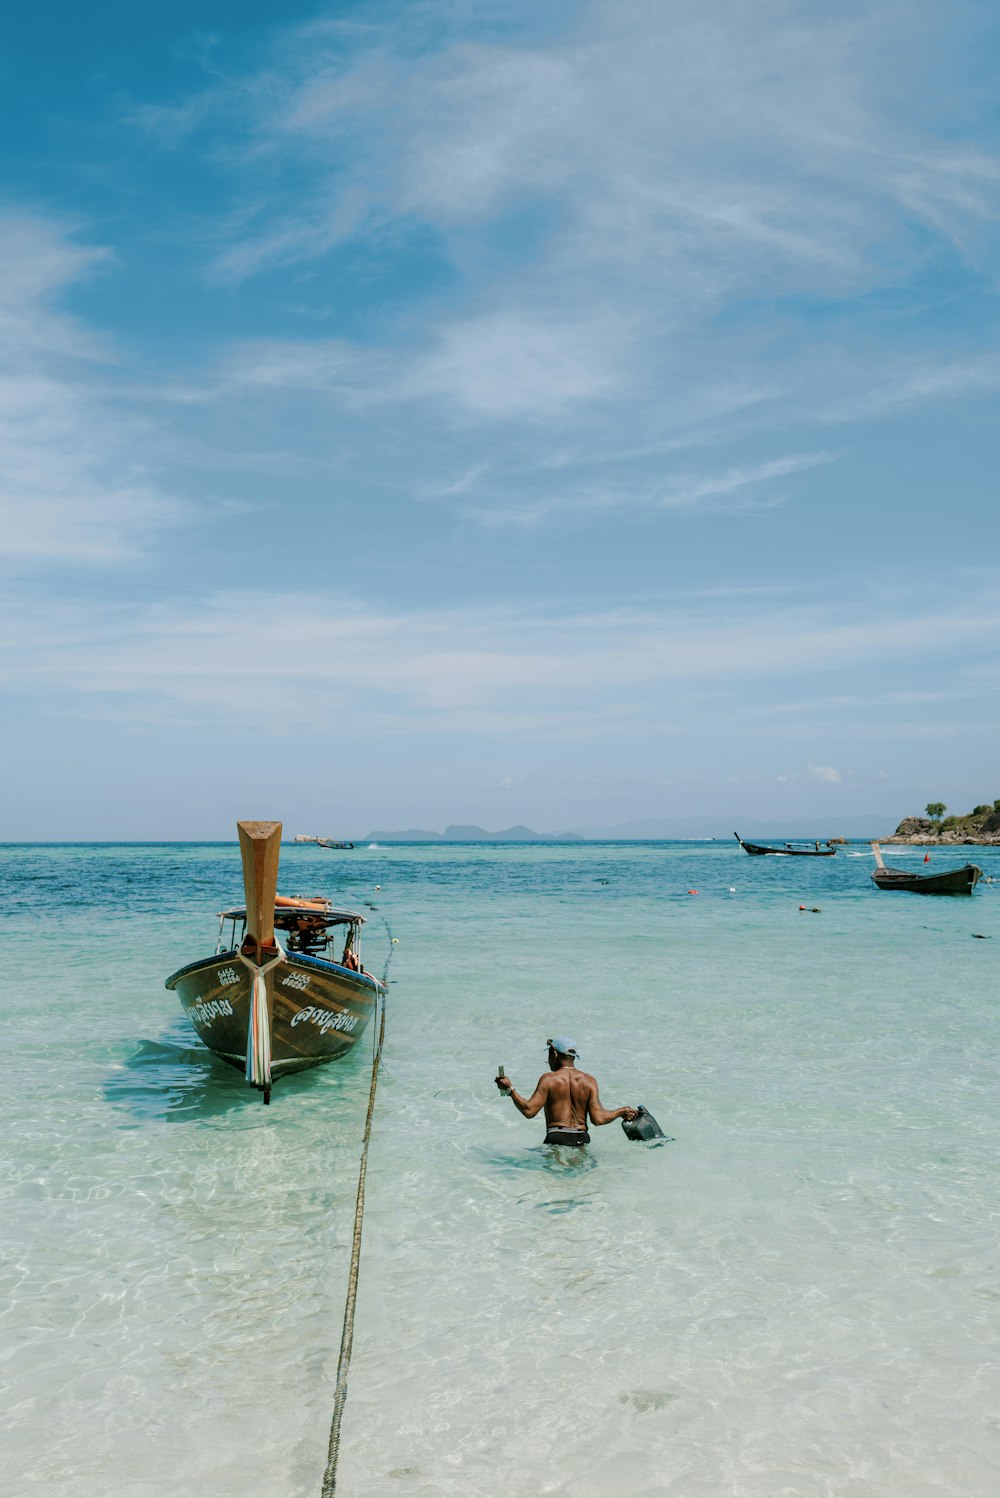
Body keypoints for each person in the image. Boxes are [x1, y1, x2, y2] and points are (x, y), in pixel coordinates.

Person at [496, 1037, 637, 1146]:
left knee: (553, 1182)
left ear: (555, 1054)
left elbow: (529, 1111)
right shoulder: (589, 1081)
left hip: (556, 1138)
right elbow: (598, 1119)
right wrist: (621, 1111)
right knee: (580, 1181)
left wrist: (510, 1089)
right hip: (581, 1138)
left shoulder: (548, 1079)